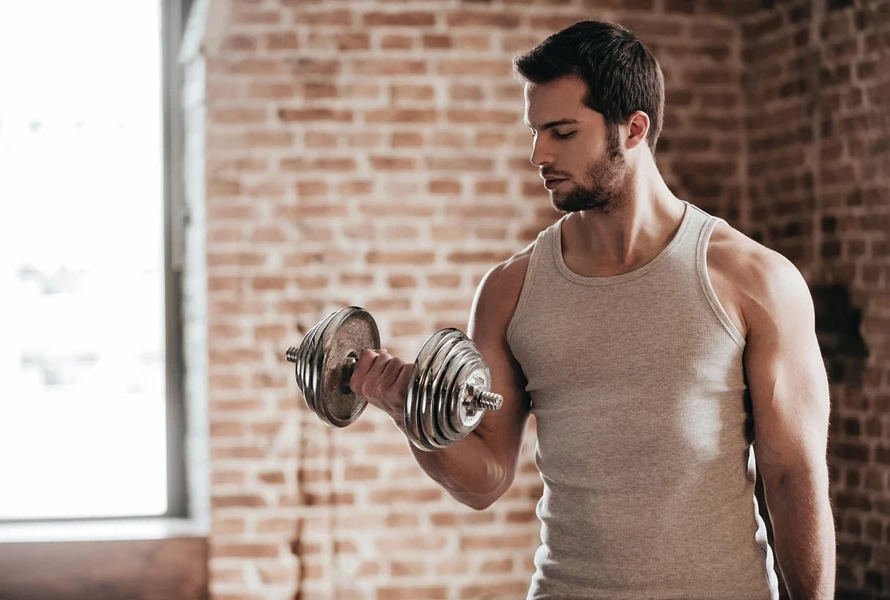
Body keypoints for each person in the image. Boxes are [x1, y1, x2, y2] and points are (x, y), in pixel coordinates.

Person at [347, 19, 835, 600]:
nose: (537, 153)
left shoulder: (753, 279)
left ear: (633, 129)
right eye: (534, 132)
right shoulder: (509, 290)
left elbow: (791, 475)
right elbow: (484, 480)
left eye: (561, 131)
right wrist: (412, 414)